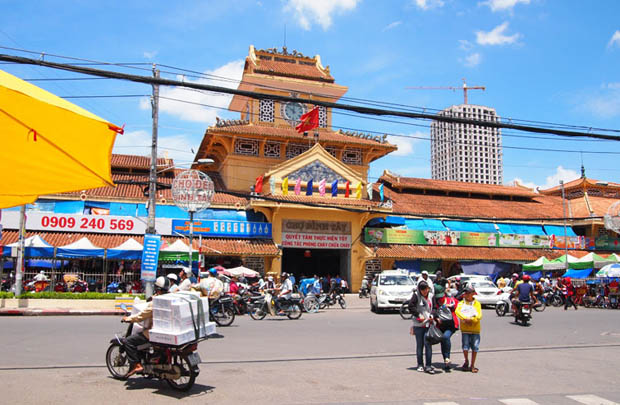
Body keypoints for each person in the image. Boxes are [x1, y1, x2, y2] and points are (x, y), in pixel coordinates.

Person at [122, 276, 169, 377]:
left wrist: (128, 319)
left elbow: (140, 316)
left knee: (128, 341)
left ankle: (137, 365)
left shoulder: (155, 302)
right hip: (167, 330)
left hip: (154, 332)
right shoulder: (170, 299)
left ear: (158, 289)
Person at [408, 281, 435, 374]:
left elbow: (434, 308)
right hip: (419, 325)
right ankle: (420, 364)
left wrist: (432, 316)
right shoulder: (416, 296)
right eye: (422, 289)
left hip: (428, 324)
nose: (424, 291)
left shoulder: (431, 296)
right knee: (420, 345)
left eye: (426, 289)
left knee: (428, 345)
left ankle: (428, 365)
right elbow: (410, 306)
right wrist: (418, 315)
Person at [456, 286, 482, 373]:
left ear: (473, 294)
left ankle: (472, 365)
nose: (466, 295)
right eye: (465, 293)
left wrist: (471, 320)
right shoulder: (461, 303)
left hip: (475, 328)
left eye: (468, 293)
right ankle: (466, 361)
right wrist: (465, 319)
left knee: (475, 347)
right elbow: (457, 312)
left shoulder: (477, 303)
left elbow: (479, 315)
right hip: (465, 329)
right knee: (465, 346)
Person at [436, 286, 459, 372]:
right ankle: (446, 360)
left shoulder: (451, 300)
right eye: (438, 297)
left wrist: (451, 307)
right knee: (442, 341)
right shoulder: (436, 302)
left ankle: (447, 357)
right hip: (440, 325)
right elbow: (433, 312)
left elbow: (459, 307)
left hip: (451, 325)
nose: (439, 299)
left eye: (441, 297)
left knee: (446, 337)